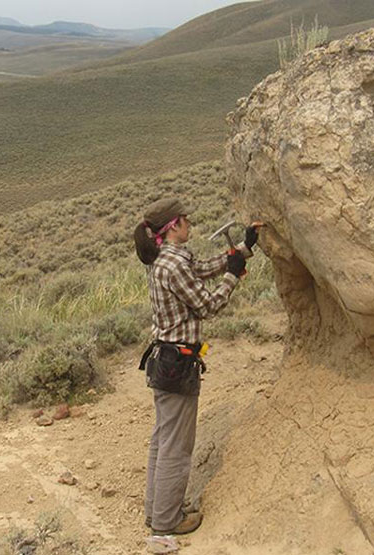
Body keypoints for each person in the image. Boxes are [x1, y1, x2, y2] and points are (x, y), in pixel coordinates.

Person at [132, 198, 260, 537]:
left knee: (163, 440)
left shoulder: (167, 259)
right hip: (178, 362)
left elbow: (201, 269)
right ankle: (167, 522)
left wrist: (242, 250)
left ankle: (157, 511)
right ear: (173, 226)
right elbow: (208, 305)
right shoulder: (173, 265)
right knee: (176, 446)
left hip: (165, 360)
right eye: (185, 220)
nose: (190, 224)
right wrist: (232, 277)